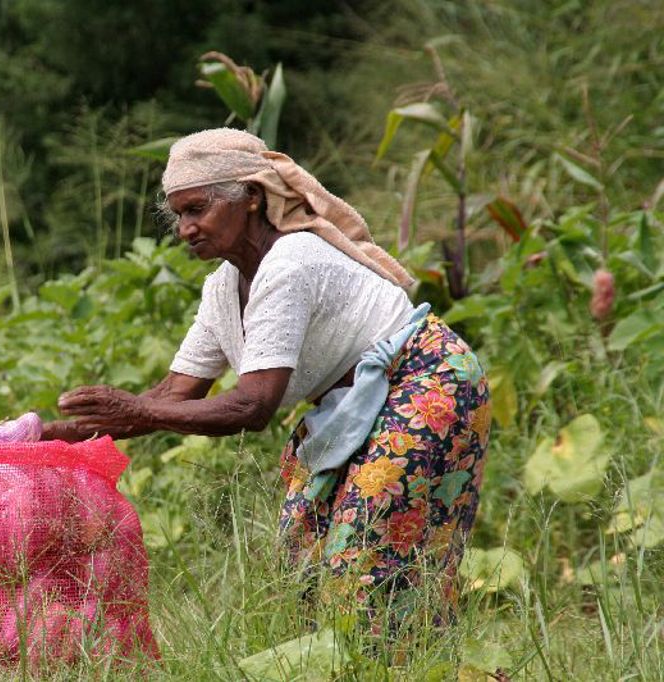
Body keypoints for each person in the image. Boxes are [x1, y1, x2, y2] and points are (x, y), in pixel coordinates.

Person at [42, 128, 491, 628]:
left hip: (426, 382)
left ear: (252, 197)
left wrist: (137, 411)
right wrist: (49, 438)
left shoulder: (290, 263)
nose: (186, 229)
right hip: (359, 402)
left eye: (197, 209)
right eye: (179, 215)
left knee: (371, 559)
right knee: (302, 557)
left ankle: (403, 662)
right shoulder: (224, 287)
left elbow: (251, 407)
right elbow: (173, 394)